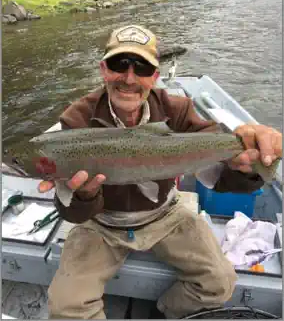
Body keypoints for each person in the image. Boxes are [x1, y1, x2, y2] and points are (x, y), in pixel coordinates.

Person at [39, 25, 282, 319]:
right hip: (101, 224)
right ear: (104, 69)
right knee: (66, 307)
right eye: (119, 65)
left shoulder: (178, 110)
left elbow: (219, 179)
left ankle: (164, 312)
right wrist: (85, 195)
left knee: (220, 283)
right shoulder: (76, 119)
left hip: (166, 214)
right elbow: (73, 215)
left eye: (141, 68)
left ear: (154, 76)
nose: (129, 79)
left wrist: (247, 165)